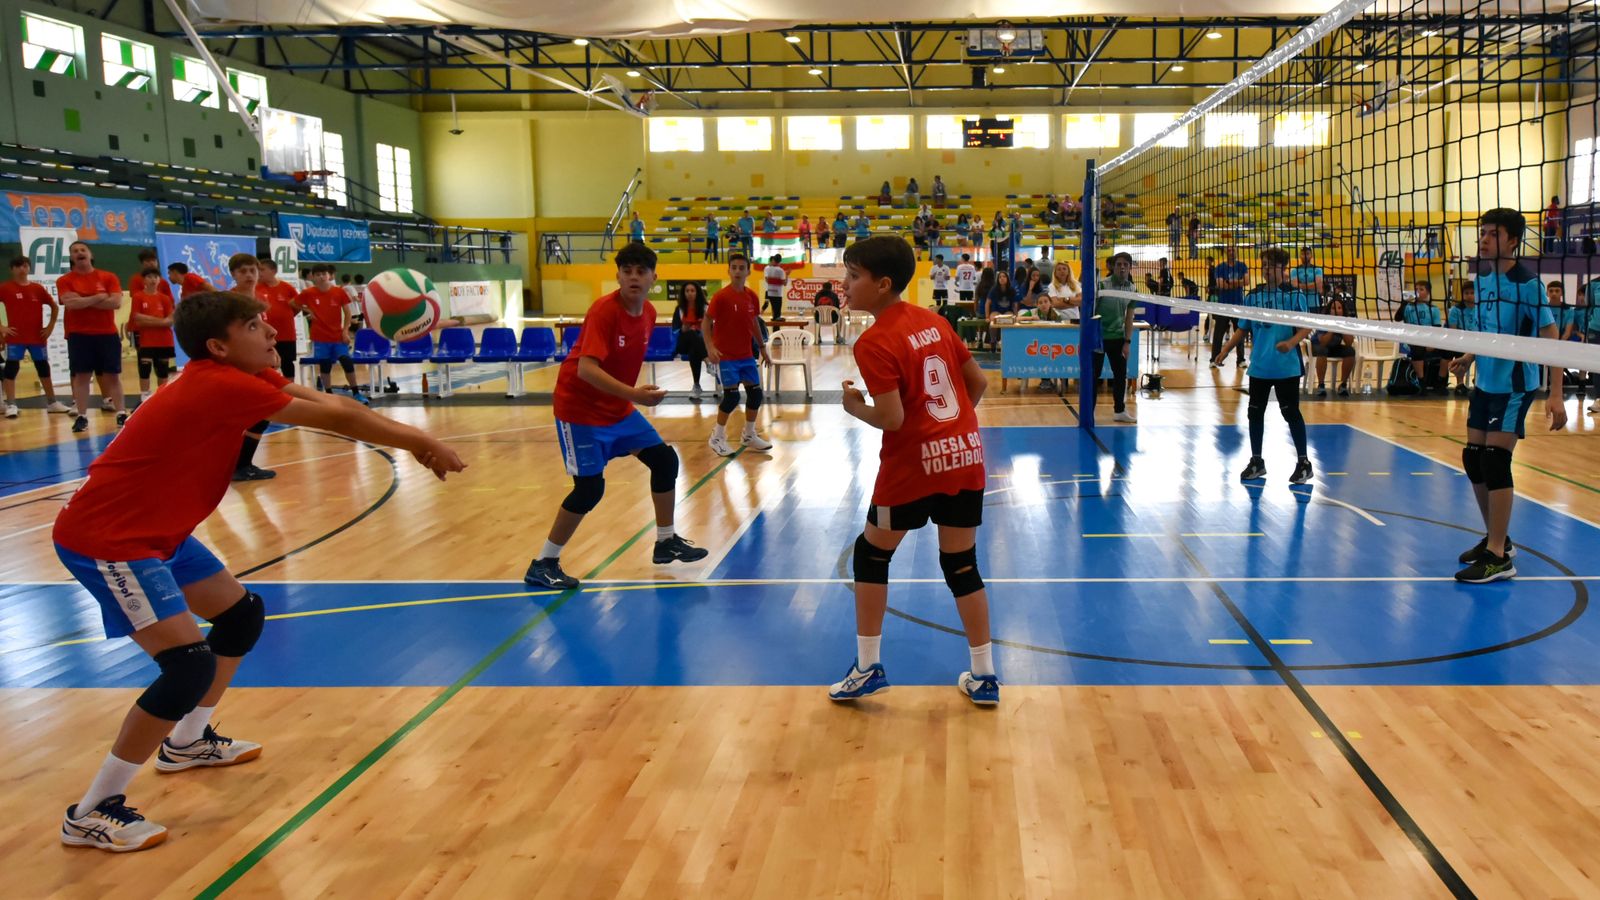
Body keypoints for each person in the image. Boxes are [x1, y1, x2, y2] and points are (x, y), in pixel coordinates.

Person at [52, 289, 464, 854]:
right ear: (219, 347)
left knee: (241, 616)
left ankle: (189, 741)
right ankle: (92, 810)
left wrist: (416, 439)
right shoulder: (217, 386)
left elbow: (339, 407)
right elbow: (337, 419)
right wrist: (420, 438)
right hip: (109, 539)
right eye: (254, 325)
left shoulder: (238, 378)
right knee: (186, 667)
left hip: (159, 533)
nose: (271, 331)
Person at [827, 235, 998, 706]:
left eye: (853, 276)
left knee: (871, 555)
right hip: (964, 458)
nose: (845, 284)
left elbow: (892, 419)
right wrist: (950, 431)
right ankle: (984, 676)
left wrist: (854, 406)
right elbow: (977, 383)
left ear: (882, 285)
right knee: (961, 565)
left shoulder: (875, 341)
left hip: (910, 471)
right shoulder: (935, 320)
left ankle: (866, 667)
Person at [523, 243, 708, 590]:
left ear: (654, 277)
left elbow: (619, 364)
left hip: (617, 408)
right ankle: (544, 562)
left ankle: (665, 541)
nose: (634, 277)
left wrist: (632, 393)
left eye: (641, 271)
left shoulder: (650, 313)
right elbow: (586, 370)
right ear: (619, 276)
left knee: (665, 461)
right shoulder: (604, 311)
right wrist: (636, 395)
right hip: (579, 410)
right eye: (627, 271)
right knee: (590, 490)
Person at [1450, 208, 1565, 583]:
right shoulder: (1481, 280)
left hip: (1517, 384)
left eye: (1493, 233)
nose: (1483, 239)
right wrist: (1468, 357)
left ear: (1513, 240)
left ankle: (1500, 557)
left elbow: (1550, 338)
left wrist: (1556, 394)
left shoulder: (1528, 284)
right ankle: (1496, 540)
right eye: (1482, 232)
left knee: (1496, 462)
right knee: (1473, 459)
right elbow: (1487, 333)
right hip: (1486, 382)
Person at [1212, 248, 1314, 483]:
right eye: (1264, 265)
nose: (1266, 270)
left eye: (1270, 265)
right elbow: (1243, 327)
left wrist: (1291, 342)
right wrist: (1225, 349)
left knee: (1290, 413)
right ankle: (1257, 461)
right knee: (1254, 413)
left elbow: (1307, 325)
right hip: (1260, 367)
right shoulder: (1253, 296)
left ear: (1283, 268)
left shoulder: (1294, 295)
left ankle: (1304, 463)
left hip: (1286, 367)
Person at [705, 252, 774, 457]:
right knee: (732, 397)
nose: (737, 271)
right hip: (725, 356)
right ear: (729, 270)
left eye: (741, 268)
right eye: (733, 267)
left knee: (755, 394)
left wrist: (762, 347)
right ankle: (717, 437)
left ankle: (749, 434)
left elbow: (753, 323)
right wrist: (710, 347)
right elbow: (706, 322)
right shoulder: (721, 297)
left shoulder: (751, 296)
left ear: (747, 271)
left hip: (745, 355)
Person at [57, 241, 127, 433]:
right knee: (81, 376)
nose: (79, 253)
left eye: (82, 250)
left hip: (106, 334)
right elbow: (70, 304)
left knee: (113, 375)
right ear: (71, 257)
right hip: (79, 335)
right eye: (75, 251)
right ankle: (82, 416)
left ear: (90, 254)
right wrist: (97, 298)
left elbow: (115, 303)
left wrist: (83, 300)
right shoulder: (65, 280)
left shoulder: (108, 276)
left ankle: (121, 413)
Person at [1, 256, 68, 417]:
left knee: (43, 367)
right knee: (11, 368)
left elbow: (54, 306)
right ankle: (11, 404)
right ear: (12, 269)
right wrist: (2, 327)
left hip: (37, 337)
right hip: (16, 337)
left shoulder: (37, 289)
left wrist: (50, 326)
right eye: (17, 266)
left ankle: (52, 402)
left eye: (25, 266)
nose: (22, 269)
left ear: (29, 268)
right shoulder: (5, 288)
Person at [295, 264, 365, 402]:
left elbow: (348, 312)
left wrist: (345, 331)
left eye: (324, 274)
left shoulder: (338, 292)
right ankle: (328, 394)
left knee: (346, 361)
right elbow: (293, 303)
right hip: (320, 337)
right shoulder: (308, 293)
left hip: (338, 336)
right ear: (313, 277)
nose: (321, 277)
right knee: (325, 364)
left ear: (329, 275)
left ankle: (356, 393)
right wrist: (309, 311)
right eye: (318, 274)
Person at [1094, 252, 1144, 423]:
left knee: (1120, 374)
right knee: (1094, 376)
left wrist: (1127, 342)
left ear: (1130, 268)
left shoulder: (1132, 289)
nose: (1122, 267)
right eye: (1119, 264)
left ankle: (1119, 411)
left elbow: (1129, 317)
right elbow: (1091, 313)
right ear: (1113, 267)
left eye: (1125, 265)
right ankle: (1089, 412)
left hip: (1118, 337)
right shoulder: (1101, 285)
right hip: (1098, 338)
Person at [128, 268, 176, 399]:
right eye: (149, 277)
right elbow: (137, 319)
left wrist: (149, 320)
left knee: (162, 370)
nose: (153, 279)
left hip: (164, 340)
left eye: (155, 277)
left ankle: (162, 396)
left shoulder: (165, 298)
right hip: (147, 340)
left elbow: (170, 321)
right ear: (144, 280)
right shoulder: (138, 297)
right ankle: (144, 396)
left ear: (159, 280)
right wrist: (162, 321)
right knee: (145, 369)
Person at [1396, 281, 1445, 392]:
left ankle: (1440, 382)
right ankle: (1421, 382)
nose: (1418, 291)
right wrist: (1403, 303)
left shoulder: (1433, 309)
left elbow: (1436, 329)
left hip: (1428, 340)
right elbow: (1397, 318)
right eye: (1416, 289)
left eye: (1421, 289)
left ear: (1428, 292)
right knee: (1417, 349)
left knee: (1446, 350)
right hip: (1410, 341)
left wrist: (1432, 343)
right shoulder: (1408, 307)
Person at [258, 259, 300, 381]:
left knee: (287, 363)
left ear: (273, 271)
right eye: (259, 270)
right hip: (266, 335)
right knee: (268, 364)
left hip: (286, 334)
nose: (260, 273)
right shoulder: (257, 288)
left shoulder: (287, 288)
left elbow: (298, 306)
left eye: (262, 270)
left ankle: (291, 391)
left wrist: (286, 316)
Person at [1310, 295, 1356, 397]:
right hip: (1317, 346)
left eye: (1339, 308)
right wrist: (1332, 328)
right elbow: (1323, 342)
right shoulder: (1324, 321)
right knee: (1322, 350)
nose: (1336, 311)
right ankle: (1321, 385)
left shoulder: (1345, 322)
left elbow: (1349, 342)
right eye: (1333, 308)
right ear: (1329, 310)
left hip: (1333, 347)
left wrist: (1341, 327)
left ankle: (1343, 385)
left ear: (1343, 311)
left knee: (1350, 351)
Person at [1212, 246, 1249, 368]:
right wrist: (1238, 282)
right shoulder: (1220, 267)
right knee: (1218, 334)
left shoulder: (1242, 266)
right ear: (1225, 253)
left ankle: (1241, 360)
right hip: (1223, 306)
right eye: (1228, 250)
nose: (1231, 252)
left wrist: (1229, 282)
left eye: (1233, 250)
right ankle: (1214, 359)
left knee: (1240, 332)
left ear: (1236, 251)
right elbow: (1221, 285)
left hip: (1238, 305)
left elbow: (1247, 281)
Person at [672, 282, 710, 401]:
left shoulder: (705, 308)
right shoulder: (679, 309)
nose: (689, 293)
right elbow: (675, 331)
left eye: (692, 291)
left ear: (697, 292)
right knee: (691, 334)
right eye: (687, 291)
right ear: (684, 293)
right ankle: (708, 362)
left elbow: (711, 328)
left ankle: (696, 386)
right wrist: (684, 328)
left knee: (694, 350)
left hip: (701, 342)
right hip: (683, 343)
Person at [1447, 283, 1479, 395]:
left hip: (1478, 340)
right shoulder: (1455, 310)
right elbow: (1453, 330)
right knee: (1460, 352)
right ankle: (1460, 384)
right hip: (1461, 340)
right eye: (1466, 293)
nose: (1469, 296)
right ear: (1462, 295)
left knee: (1484, 351)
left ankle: (1478, 380)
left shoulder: (1480, 308)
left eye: (1472, 293)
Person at [762, 254, 787, 321]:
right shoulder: (780, 270)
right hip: (776, 292)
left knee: (772, 307)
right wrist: (786, 275)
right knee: (773, 307)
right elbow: (784, 283)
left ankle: (774, 317)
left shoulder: (768, 268)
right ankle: (761, 315)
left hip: (770, 291)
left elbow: (767, 279)